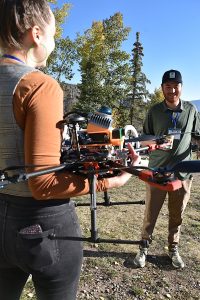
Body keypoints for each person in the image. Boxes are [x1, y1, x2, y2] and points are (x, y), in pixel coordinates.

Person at [0, 1, 140, 299]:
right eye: (53, 34)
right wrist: (109, 181)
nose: (54, 42)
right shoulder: (40, 85)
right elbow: (43, 184)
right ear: (36, 34)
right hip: (45, 227)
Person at [133, 69, 200, 269]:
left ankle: (173, 248)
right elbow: (145, 139)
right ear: (162, 88)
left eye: (175, 86)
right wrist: (157, 142)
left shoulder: (191, 110)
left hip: (182, 173)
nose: (172, 90)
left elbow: (198, 136)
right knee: (151, 212)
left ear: (181, 87)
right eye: (168, 87)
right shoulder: (154, 111)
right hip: (157, 171)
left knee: (177, 214)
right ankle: (143, 247)